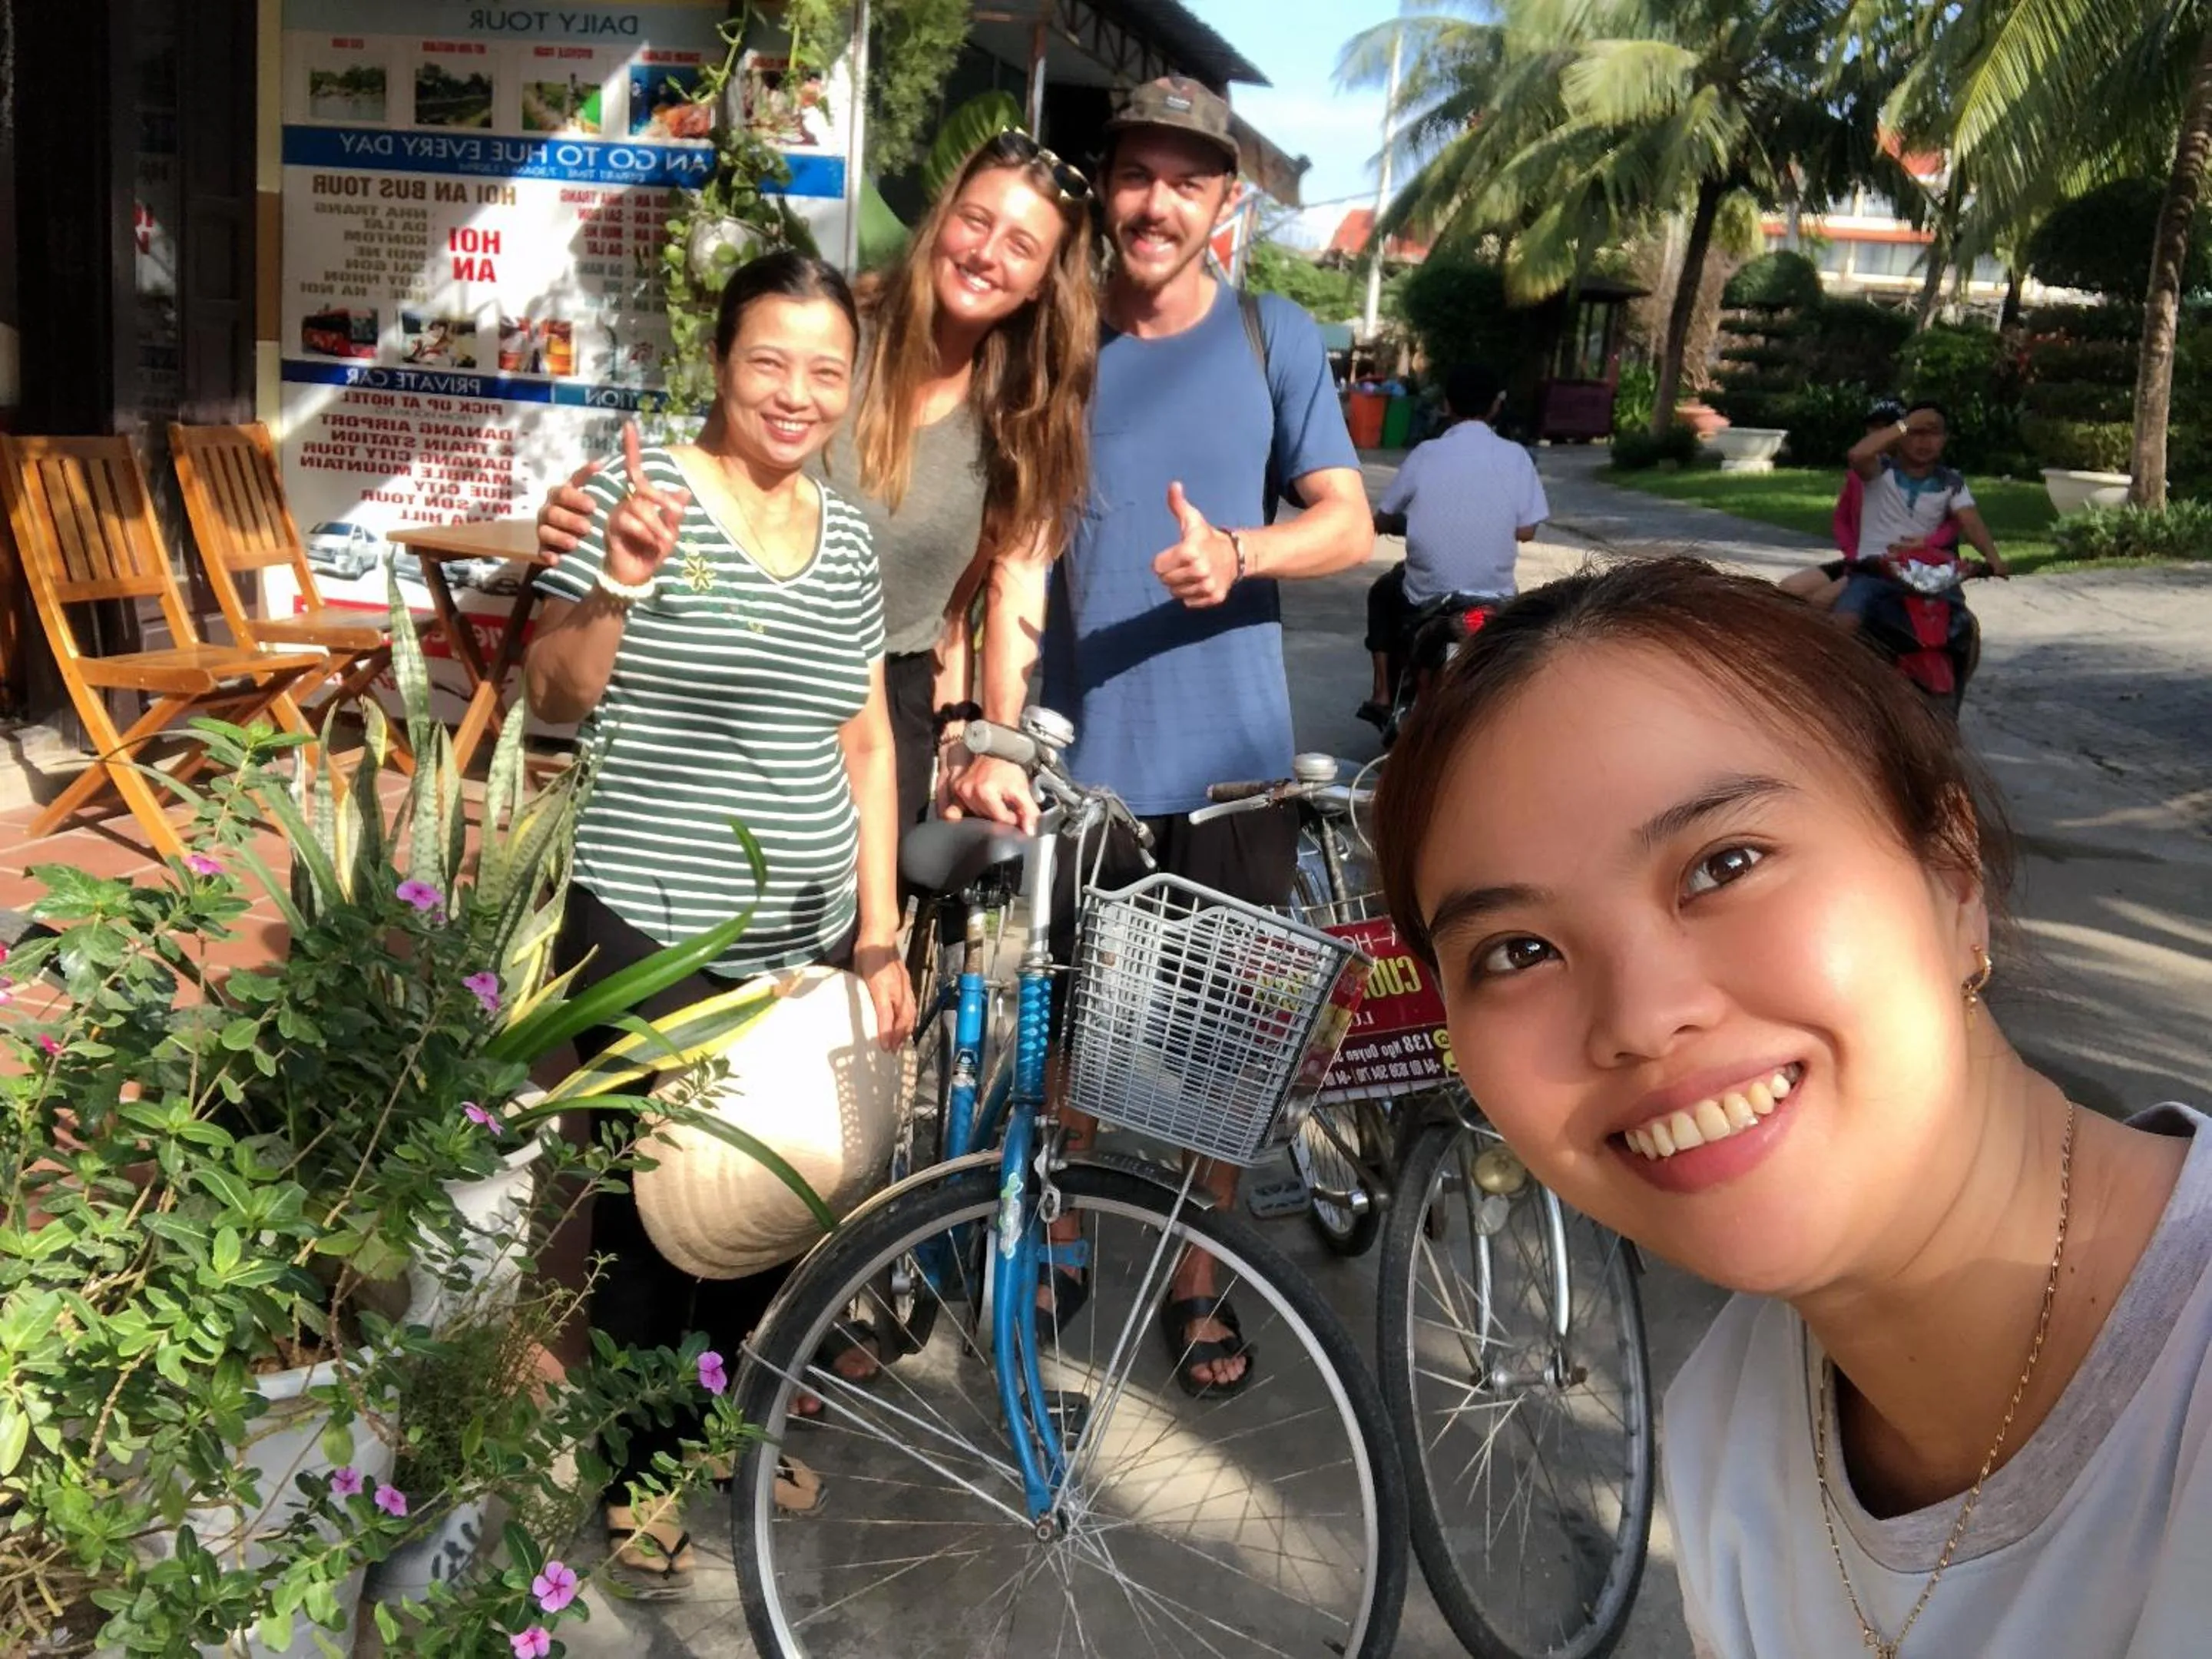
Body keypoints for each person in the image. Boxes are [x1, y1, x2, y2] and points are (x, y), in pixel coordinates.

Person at [1371, 557, 2207, 1657]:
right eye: (1517, 952)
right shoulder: (1730, 1434)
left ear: (1953, 874)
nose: (1641, 1019)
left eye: (1724, 864)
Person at [955, 75, 1374, 1394]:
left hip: (1238, 766)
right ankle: (1066, 1231)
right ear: (1111, 191)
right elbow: (1020, 557)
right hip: (1090, 771)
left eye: (1186, 182)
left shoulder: (1272, 335)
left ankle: (1201, 1274)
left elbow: (1347, 521)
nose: (1156, 204)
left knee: (1226, 1047)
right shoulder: (1060, 344)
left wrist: (1241, 552)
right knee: (1074, 1029)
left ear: (1223, 202)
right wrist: (1003, 736)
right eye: (1136, 176)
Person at [523, 250, 916, 1594]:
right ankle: (637, 1470)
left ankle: (705, 1430)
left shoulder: (848, 537)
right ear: (720, 362)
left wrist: (879, 933)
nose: (796, 393)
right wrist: (621, 581)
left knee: (774, 1199)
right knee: (656, 1213)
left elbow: (866, 740)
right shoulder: (636, 497)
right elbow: (554, 699)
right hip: (650, 921)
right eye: (769, 362)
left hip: (800, 946)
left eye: (826, 370)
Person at [538, 129, 1099, 837]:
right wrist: (592, 521)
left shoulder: (1024, 409)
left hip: (888, 710)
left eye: (1020, 245)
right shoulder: (833, 338)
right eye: (976, 221)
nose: (986, 253)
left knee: (867, 907)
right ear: (941, 219)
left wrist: (992, 742)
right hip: (748, 671)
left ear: (1044, 279)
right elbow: (711, 468)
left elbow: (997, 586)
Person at [1359, 360, 1548, 723]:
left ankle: (1382, 694)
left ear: (1446, 404)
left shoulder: (1425, 454)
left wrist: (1392, 525)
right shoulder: (1516, 457)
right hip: (1493, 598)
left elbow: (1383, 516)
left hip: (1428, 597)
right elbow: (1527, 531)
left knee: (1382, 593)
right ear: (1496, 405)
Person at [1823, 400, 2010, 628]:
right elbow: (1857, 455)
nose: (1924, 442)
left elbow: (1970, 520)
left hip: (1929, 577)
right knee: (1845, 622)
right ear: (1901, 436)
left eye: (1934, 433)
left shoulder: (1951, 482)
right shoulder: (1879, 471)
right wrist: (1906, 424)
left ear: (1945, 439)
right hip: (1876, 573)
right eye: (1916, 433)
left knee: (1964, 626)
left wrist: (1993, 559)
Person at [1778, 399, 1959, 610]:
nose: (1878, 433)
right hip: (1860, 560)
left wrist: (1923, 544)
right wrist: (1854, 555)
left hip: (1898, 565)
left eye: (1887, 427)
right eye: (1873, 426)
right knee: (1788, 589)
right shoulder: (1860, 472)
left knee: (1822, 600)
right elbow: (1842, 519)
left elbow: (1952, 526)